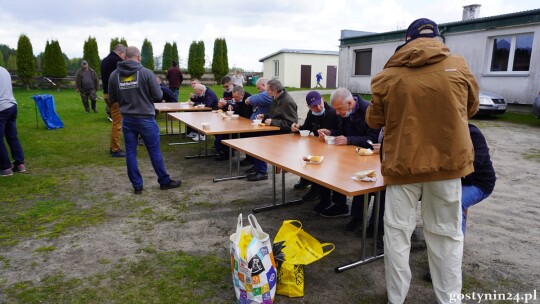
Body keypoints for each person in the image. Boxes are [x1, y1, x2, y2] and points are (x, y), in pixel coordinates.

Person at [366, 18, 479, 304]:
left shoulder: (387, 74)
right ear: (437, 38)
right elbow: (472, 108)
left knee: (397, 235)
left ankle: (396, 298)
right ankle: (449, 299)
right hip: (448, 163)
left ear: (407, 40)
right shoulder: (459, 65)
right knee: (447, 236)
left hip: (403, 165)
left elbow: (374, 119)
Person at [108, 46, 181, 195]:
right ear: (138, 57)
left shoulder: (114, 75)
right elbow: (158, 95)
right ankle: (164, 181)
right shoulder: (146, 73)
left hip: (127, 118)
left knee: (130, 153)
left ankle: (137, 185)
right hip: (146, 118)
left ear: (124, 57)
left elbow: (112, 98)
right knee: (154, 151)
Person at [316, 89, 380, 217]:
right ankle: (340, 205)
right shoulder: (344, 112)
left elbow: (373, 139)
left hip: (366, 156)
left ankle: (357, 217)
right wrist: (331, 133)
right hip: (348, 153)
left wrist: (349, 139)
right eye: (336, 110)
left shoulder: (368, 110)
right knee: (335, 171)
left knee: (361, 182)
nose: (338, 113)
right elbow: (342, 132)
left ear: (350, 103)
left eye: (340, 109)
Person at [290, 91, 338, 200]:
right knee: (303, 151)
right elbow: (306, 127)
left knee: (316, 160)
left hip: (329, 147)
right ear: (309, 107)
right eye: (314, 106)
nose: (318, 107)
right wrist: (297, 128)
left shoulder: (331, 113)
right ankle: (306, 180)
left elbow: (333, 132)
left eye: (319, 103)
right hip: (316, 144)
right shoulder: (311, 113)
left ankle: (316, 189)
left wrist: (327, 132)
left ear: (322, 99)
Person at [247, 79, 298, 181]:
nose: (266, 92)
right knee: (254, 136)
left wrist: (273, 122)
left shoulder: (287, 101)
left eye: (268, 90)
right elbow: (274, 114)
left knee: (260, 141)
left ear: (274, 90)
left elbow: (292, 124)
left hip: (284, 134)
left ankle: (262, 172)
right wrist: (264, 116)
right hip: (276, 129)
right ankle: (258, 167)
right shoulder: (275, 97)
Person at [239, 77, 272, 167]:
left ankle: (260, 169)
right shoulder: (265, 94)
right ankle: (251, 161)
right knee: (245, 136)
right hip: (257, 124)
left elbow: (252, 99)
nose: (258, 90)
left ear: (264, 85)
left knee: (256, 141)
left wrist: (248, 99)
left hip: (264, 126)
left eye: (259, 88)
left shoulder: (267, 94)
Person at [101, 44, 127, 158]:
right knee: (117, 123)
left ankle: (115, 146)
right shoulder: (117, 61)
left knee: (115, 122)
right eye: (124, 55)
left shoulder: (104, 60)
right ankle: (115, 149)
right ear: (121, 52)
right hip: (115, 95)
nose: (124, 58)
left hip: (106, 94)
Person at [214, 86, 252, 161]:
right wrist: (227, 106)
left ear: (242, 94)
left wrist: (230, 106)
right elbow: (236, 107)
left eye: (236, 97)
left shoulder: (249, 99)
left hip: (248, 125)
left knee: (226, 134)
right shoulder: (238, 98)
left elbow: (245, 114)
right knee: (223, 131)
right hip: (239, 122)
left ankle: (249, 159)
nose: (235, 98)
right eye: (233, 97)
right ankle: (226, 153)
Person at [0, 66, 26, 176]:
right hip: (12, 106)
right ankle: (20, 164)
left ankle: (5, 168)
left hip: (1, 108)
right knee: (12, 137)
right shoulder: (4, 70)